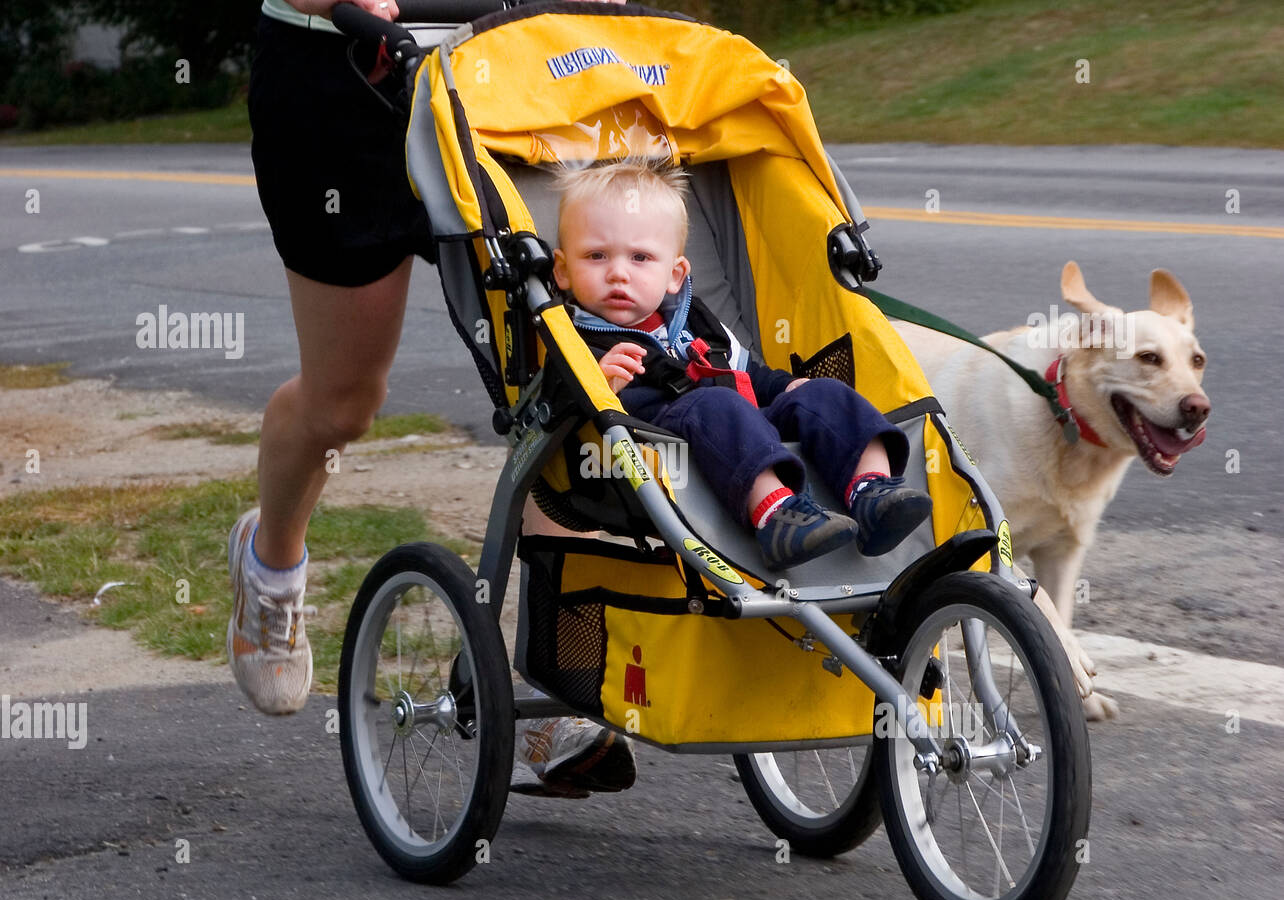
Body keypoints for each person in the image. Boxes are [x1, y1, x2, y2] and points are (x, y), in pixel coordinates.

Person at [229, 0, 636, 798]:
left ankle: (538, 690)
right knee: (343, 404)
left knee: (573, 379)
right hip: (343, 78)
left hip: (513, 69)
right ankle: (269, 565)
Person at [551, 161, 933, 569]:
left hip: (743, 430)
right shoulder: (573, 337)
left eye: (640, 257)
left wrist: (786, 388)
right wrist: (598, 385)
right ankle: (777, 516)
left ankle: (872, 492)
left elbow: (748, 372)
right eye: (596, 256)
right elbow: (552, 409)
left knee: (822, 392)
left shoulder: (693, 319)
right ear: (562, 270)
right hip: (662, 452)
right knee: (716, 404)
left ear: (674, 274)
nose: (618, 273)